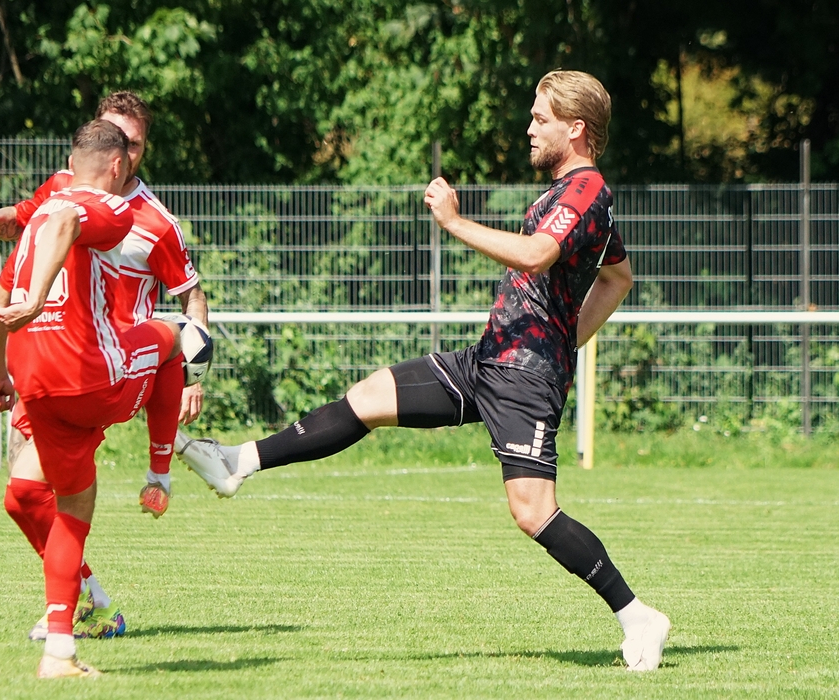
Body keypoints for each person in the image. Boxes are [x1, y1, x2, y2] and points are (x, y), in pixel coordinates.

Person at [174, 70, 671, 672]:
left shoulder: (586, 190)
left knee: (533, 512)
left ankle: (637, 616)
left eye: (541, 118)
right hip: (488, 360)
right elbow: (618, 277)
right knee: (368, 398)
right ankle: (238, 462)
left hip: (524, 379)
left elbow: (539, 254)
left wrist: (455, 223)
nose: (530, 128)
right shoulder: (572, 193)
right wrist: (569, 337)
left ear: (576, 128)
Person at [0, 92, 210, 639]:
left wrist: (193, 376)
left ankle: (158, 477)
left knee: (71, 497)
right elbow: (25, 220)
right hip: (56, 361)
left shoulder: (153, 220)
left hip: (118, 368)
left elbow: (192, 298)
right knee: (23, 497)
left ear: (137, 152)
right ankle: (88, 600)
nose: (125, 149)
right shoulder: (62, 188)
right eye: (115, 135)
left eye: (135, 142)